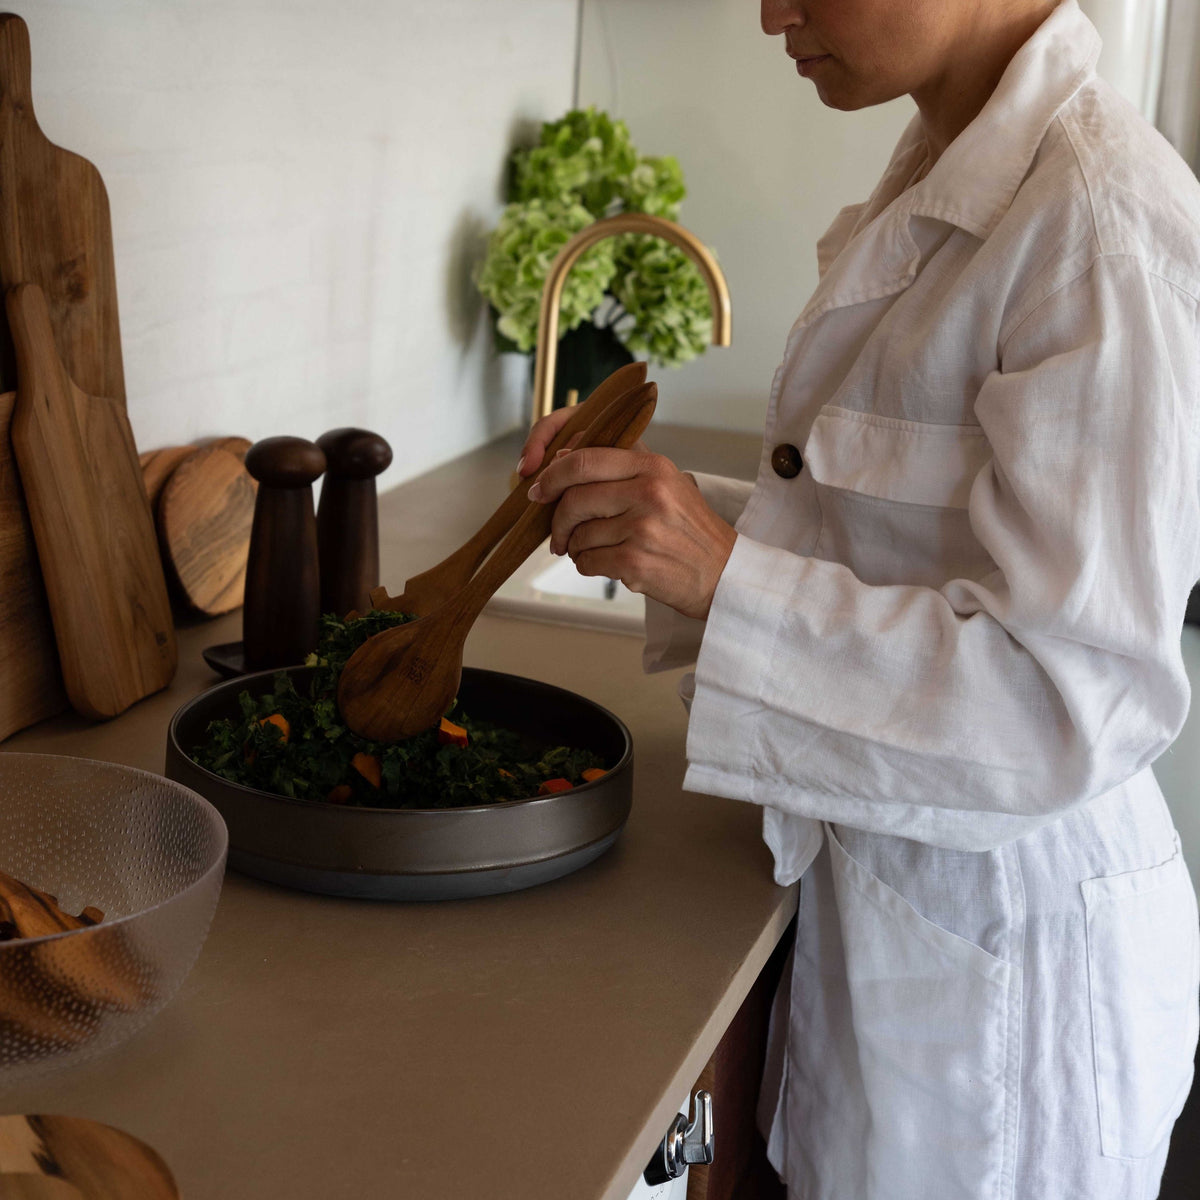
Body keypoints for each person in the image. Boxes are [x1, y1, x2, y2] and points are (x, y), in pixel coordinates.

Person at [518, 1, 1200, 1196]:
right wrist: (669, 520)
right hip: (905, 918)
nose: (772, 10)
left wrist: (723, 575)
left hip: (1012, 982)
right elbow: (894, 532)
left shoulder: (1097, 224)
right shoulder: (952, 166)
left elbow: (1066, 704)